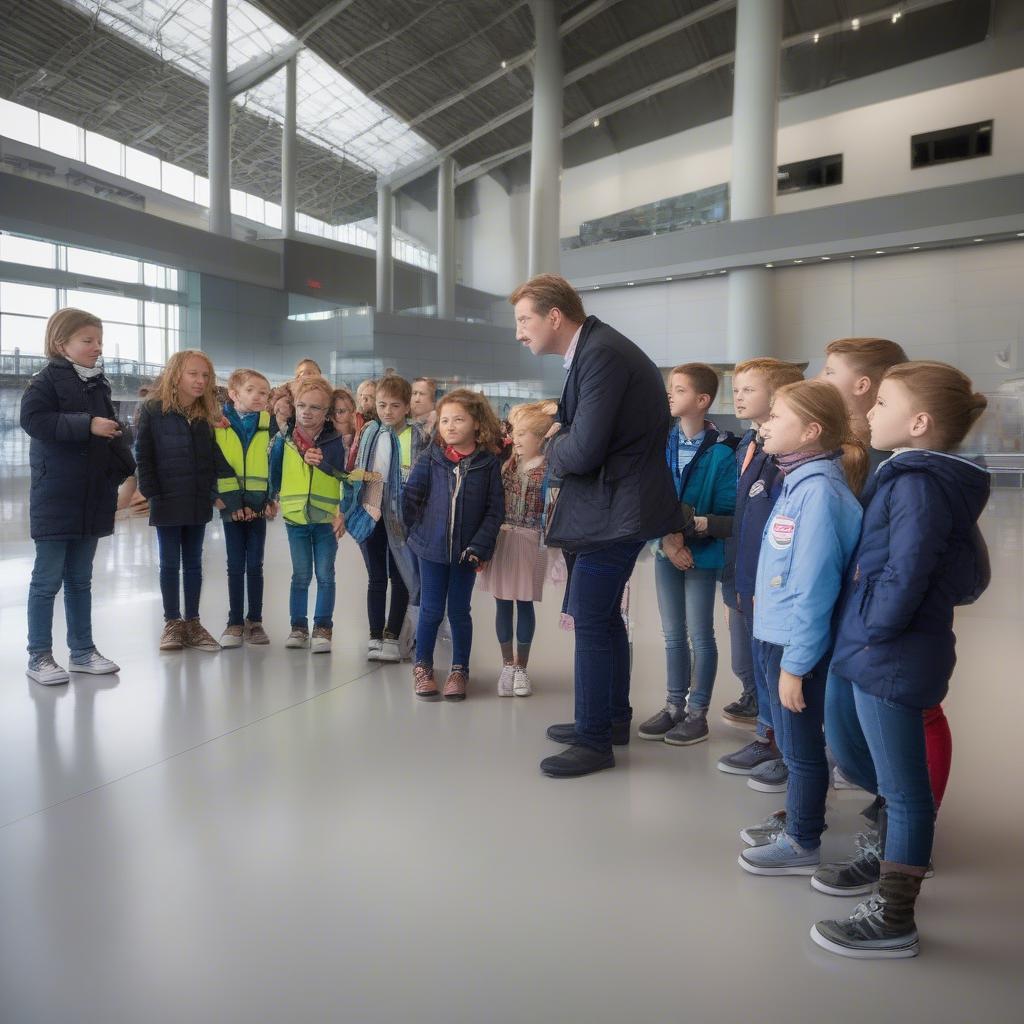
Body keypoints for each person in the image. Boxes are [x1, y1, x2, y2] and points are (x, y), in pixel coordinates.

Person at [812, 362, 989, 960]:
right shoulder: (912, 476)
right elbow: (967, 574)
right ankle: (887, 853)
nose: (868, 412)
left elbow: (911, 570)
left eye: (882, 402)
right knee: (872, 764)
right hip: (874, 644)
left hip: (890, 650)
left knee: (905, 790)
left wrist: (876, 629)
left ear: (918, 423)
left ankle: (894, 917)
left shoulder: (919, 483)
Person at [511, 273, 685, 778]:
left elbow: (581, 447)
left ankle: (594, 740)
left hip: (618, 510)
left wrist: (549, 447)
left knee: (591, 619)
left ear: (554, 317)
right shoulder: (592, 351)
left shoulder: (602, 354)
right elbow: (574, 432)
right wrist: (563, 437)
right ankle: (609, 720)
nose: (519, 333)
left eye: (524, 321)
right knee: (604, 619)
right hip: (613, 507)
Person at [737, 380, 865, 879]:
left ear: (811, 431)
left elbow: (814, 589)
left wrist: (795, 663)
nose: (765, 425)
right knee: (793, 745)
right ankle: (799, 818)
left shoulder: (819, 494)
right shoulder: (797, 481)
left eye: (777, 418)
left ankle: (802, 840)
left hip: (795, 645)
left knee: (803, 749)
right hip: (776, 636)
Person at [21, 307, 136, 684]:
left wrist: (126, 468)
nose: (96, 347)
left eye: (99, 341)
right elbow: (34, 420)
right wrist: (87, 425)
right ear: (61, 343)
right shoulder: (44, 381)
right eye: (88, 340)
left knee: (81, 579)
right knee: (46, 580)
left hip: (92, 497)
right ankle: (39, 655)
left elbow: (111, 434)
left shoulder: (97, 383)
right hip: (57, 496)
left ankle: (82, 650)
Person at [716, 358, 805, 792]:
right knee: (749, 660)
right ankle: (766, 733)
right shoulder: (748, 445)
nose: (738, 396)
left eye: (749, 389)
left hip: (765, 581)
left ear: (779, 397)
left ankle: (775, 743)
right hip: (741, 569)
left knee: (771, 667)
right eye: (737, 388)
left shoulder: (784, 457)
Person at [638, 364, 737, 746]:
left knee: (700, 634)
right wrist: (666, 541)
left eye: (678, 390)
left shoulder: (724, 451)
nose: (669, 395)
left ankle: (698, 714)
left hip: (702, 554)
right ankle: (673, 707)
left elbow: (728, 509)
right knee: (672, 635)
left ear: (702, 400)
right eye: (669, 389)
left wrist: (689, 533)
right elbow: (648, 497)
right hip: (666, 551)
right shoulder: (661, 444)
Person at [402, 389, 504, 701]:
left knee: (459, 611)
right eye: (445, 420)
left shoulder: (487, 464)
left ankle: (459, 669)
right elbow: (410, 499)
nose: (450, 425)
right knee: (431, 609)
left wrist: (480, 547)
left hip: (466, 554)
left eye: (459, 419)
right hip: (430, 551)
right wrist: (416, 536)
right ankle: (423, 665)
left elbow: (494, 510)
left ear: (476, 423)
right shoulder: (430, 458)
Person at [135, 350, 222, 652]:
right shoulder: (152, 410)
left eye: (205, 376)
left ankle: (193, 623)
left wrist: (213, 493)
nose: (200, 381)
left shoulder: (204, 414)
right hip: (167, 498)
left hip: (197, 499)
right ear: (176, 375)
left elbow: (212, 458)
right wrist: (151, 493)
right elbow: (143, 455)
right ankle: (173, 622)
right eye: (193, 374)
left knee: (195, 563)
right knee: (170, 563)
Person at [478, 400, 558, 697]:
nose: (518, 438)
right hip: (503, 540)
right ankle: (507, 665)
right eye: (516, 432)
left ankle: (522, 667)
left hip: (531, 541)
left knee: (524, 602)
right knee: (502, 602)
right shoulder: (506, 464)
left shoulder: (549, 470)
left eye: (525, 433)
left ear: (541, 438)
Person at [269, 374, 347, 653]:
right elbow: (274, 473)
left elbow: (344, 477)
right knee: (300, 575)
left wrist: (342, 513)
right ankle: (298, 626)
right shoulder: (285, 439)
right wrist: (270, 497)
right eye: (302, 405)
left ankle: (323, 626)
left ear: (326, 413)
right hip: (295, 517)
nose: (306, 412)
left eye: (315, 407)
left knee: (326, 574)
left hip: (326, 518)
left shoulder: (336, 441)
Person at [354, 375, 428, 663]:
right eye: (382, 404)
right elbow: (360, 468)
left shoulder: (418, 435)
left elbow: (422, 478)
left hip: (403, 517)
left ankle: (392, 636)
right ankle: (374, 634)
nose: (387, 411)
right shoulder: (370, 432)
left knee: (400, 576)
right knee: (376, 577)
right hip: (373, 513)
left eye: (395, 406)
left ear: (407, 407)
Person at [213, 369, 277, 648]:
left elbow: (275, 465)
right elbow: (215, 463)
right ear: (234, 394)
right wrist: (231, 502)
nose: (259, 396)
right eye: (252, 390)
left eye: (264, 392)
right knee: (235, 565)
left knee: (256, 565)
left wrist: (267, 499)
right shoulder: (218, 423)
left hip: (259, 507)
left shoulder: (269, 423)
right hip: (231, 505)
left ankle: (256, 620)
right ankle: (234, 621)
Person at [819, 337, 908, 472]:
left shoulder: (889, 465)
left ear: (861, 386)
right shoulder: (822, 441)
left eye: (829, 372)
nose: (818, 379)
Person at [330, 386, 361, 471]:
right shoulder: (322, 440)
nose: (336, 416)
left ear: (353, 412)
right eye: (332, 411)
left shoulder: (361, 439)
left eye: (341, 411)